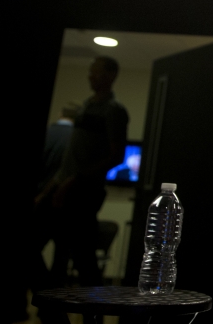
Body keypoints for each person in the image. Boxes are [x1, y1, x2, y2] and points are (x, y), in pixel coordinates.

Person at [35, 56, 129, 288]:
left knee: (82, 259)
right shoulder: (86, 105)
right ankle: (51, 304)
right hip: (62, 188)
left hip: (82, 195)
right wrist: (51, 188)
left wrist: (75, 180)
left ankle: (87, 313)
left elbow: (115, 156)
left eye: (95, 72)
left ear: (111, 75)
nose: (90, 76)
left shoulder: (113, 111)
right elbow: (71, 156)